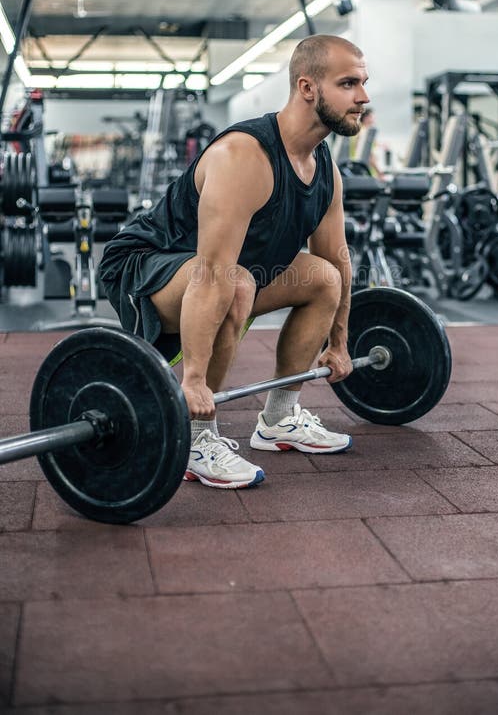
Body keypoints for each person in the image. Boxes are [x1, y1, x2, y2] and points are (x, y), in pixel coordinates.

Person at [98, 34, 370, 489]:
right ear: (307, 88)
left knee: (322, 278)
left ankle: (279, 418)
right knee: (236, 281)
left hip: (227, 272)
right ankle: (196, 438)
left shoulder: (325, 169)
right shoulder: (244, 155)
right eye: (348, 84)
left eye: (363, 83)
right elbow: (213, 270)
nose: (363, 97)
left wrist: (339, 343)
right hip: (143, 265)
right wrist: (193, 382)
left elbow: (336, 261)